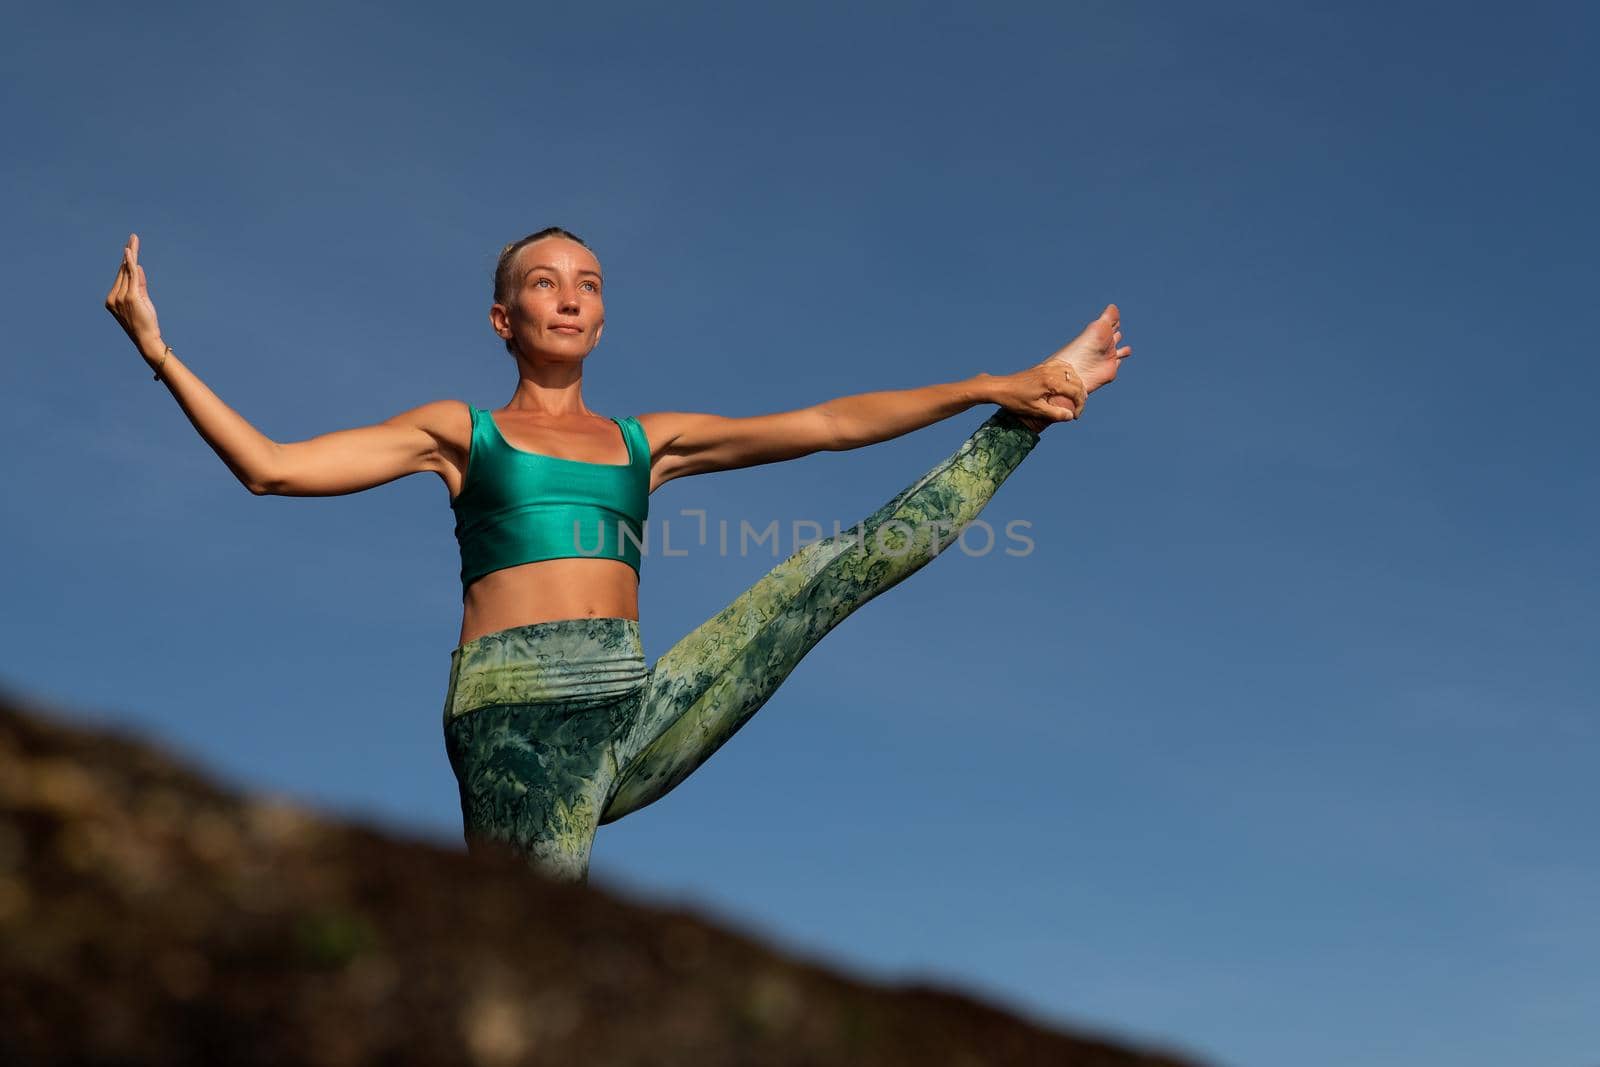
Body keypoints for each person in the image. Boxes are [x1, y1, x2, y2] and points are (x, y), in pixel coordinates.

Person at [104, 227, 1132, 885]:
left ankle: (1028, 422)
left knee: (820, 575)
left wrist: (1000, 383)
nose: (569, 296)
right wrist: (159, 352)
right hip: (517, 717)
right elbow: (271, 467)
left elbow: (824, 421)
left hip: (630, 693)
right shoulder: (459, 432)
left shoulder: (650, 441)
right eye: (544, 283)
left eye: (587, 283)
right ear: (503, 318)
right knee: (535, 942)